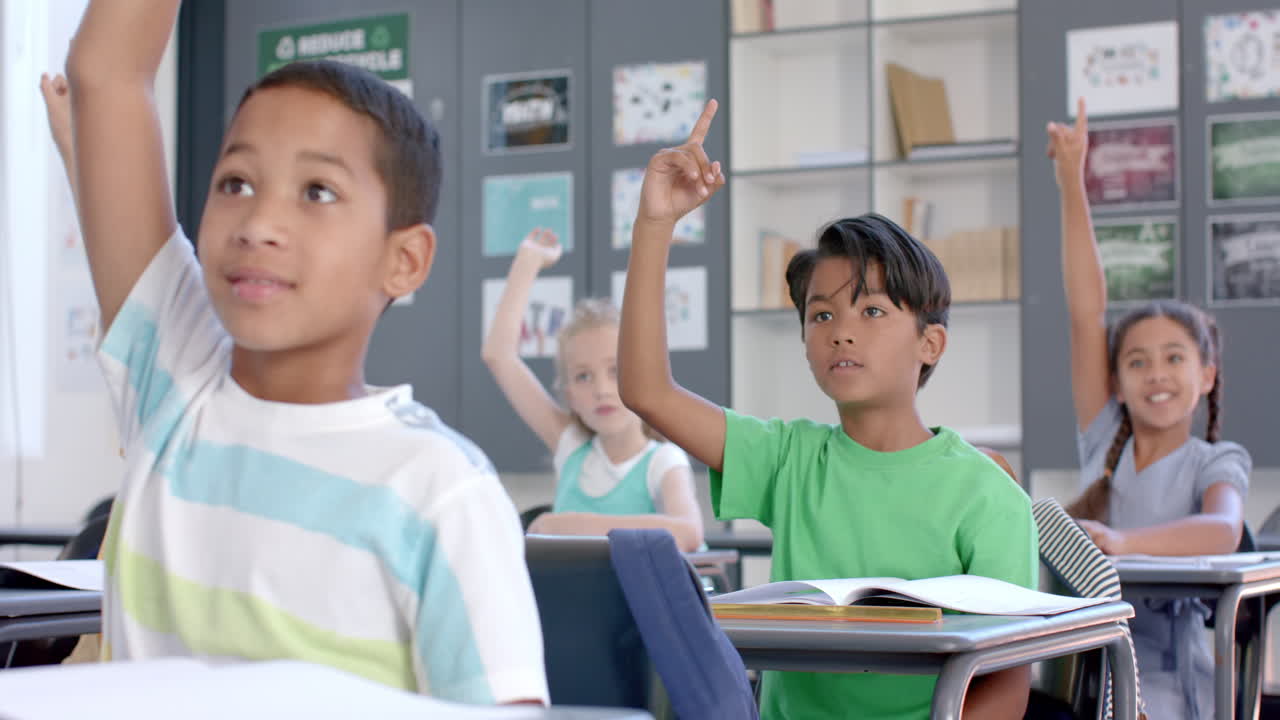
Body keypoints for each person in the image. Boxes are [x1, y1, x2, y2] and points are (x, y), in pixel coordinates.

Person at [59, 0, 546, 704]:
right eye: (236, 183)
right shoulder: (174, 382)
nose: (259, 223)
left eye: (317, 191)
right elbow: (105, 73)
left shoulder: (440, 489)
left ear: (404, 260)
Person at [617, 99, 1036, 719]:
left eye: (871, 311)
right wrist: (654, 226)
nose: (841, 331)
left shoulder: (988, 496)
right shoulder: (789, 459)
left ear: (930, 342)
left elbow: (1004, 688)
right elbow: (647, 393)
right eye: (821, 314)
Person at [1050, 99, 1251, 720]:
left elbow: (1221, 531)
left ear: (1207, 375)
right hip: (1095, 676)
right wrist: (1071, 182)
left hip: (1180, 685)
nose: (1156, 375)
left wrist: (1119, 542)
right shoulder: (1104, 432)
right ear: (1116, 379)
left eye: (1174, 358)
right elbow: (1087, 311)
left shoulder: (1216, 459)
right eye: (1137, 361)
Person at [481, 229, 704, 551]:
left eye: (615, 372)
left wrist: (568, 525)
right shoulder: (570, 445)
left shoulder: (663, 461)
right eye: (584, 377)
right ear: (569, 393)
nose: (601, 389)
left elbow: (688, 533)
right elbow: (498, 356)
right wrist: (528, 260)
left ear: (641, 375)